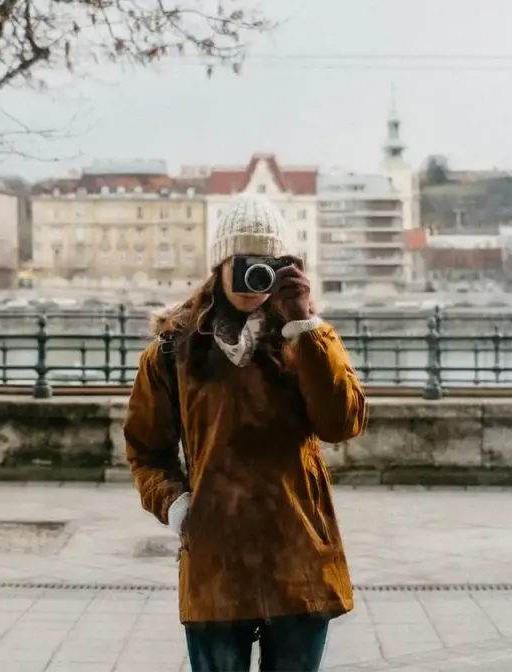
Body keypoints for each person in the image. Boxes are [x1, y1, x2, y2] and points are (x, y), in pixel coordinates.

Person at [124, 194, 367, 672]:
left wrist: (304, 323)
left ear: (285, 267)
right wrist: (177, 505)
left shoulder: (306, 338)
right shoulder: (174, 349)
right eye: (243, 263)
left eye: (267, 265)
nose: (254, 278)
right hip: (215, 563)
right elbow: (145, 449)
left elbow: (342, 423)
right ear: (220, 264)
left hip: (297, 558)